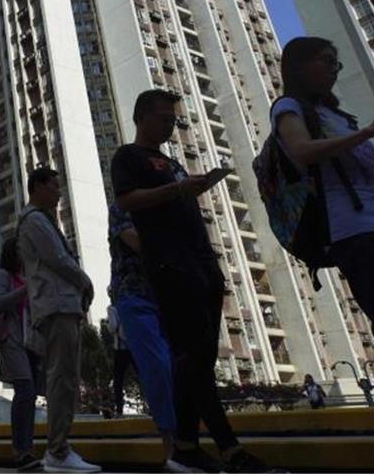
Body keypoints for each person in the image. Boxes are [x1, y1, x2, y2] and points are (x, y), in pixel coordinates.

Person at [111, 90, 269, 473]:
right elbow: (128, 200)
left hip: (200, 260)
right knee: (190, 358)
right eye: (164, 118)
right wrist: (179, 188)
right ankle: (227, 449)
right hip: (169, 265)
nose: (170, 125)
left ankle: (185, 446)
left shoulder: (172, 161)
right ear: (142, 116)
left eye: (173, 119)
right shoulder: (128, 157)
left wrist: (191, 186)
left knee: (198, 359)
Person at [271, 37, 374, 462]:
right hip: (354, 230)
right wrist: (368, 131)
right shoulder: (290, 108)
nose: (334, 69)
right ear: (300, 66)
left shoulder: (338, 116)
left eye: (336, 62)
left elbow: (373, 173)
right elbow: (300, 152)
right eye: (326, 61)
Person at [16, 167, 101, 473]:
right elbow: (59, 260)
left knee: (64, 377)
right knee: (62, 378)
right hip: (56, 306)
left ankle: (59, 448)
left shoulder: (43, 220)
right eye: (53, 186)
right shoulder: (35, 220)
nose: (58, 192)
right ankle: (58, 451)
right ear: (37, 187)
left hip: (60, 306)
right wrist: (85, 281)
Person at [106, 203, 180, 469]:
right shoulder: (121, 209)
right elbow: (137, 243)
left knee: (176, 366)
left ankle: (185, 443)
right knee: (156, 366)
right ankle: (170, 445)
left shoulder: (165, 210)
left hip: (168, 294)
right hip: (136, 296)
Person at [0, 238, 42, 472]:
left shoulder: (26, 273)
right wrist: (25, 289)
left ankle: (26, 449)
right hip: (11, 339)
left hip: (31, 341)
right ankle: (20, 450)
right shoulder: (3, 274)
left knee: (30, 395)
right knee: (25, 390)